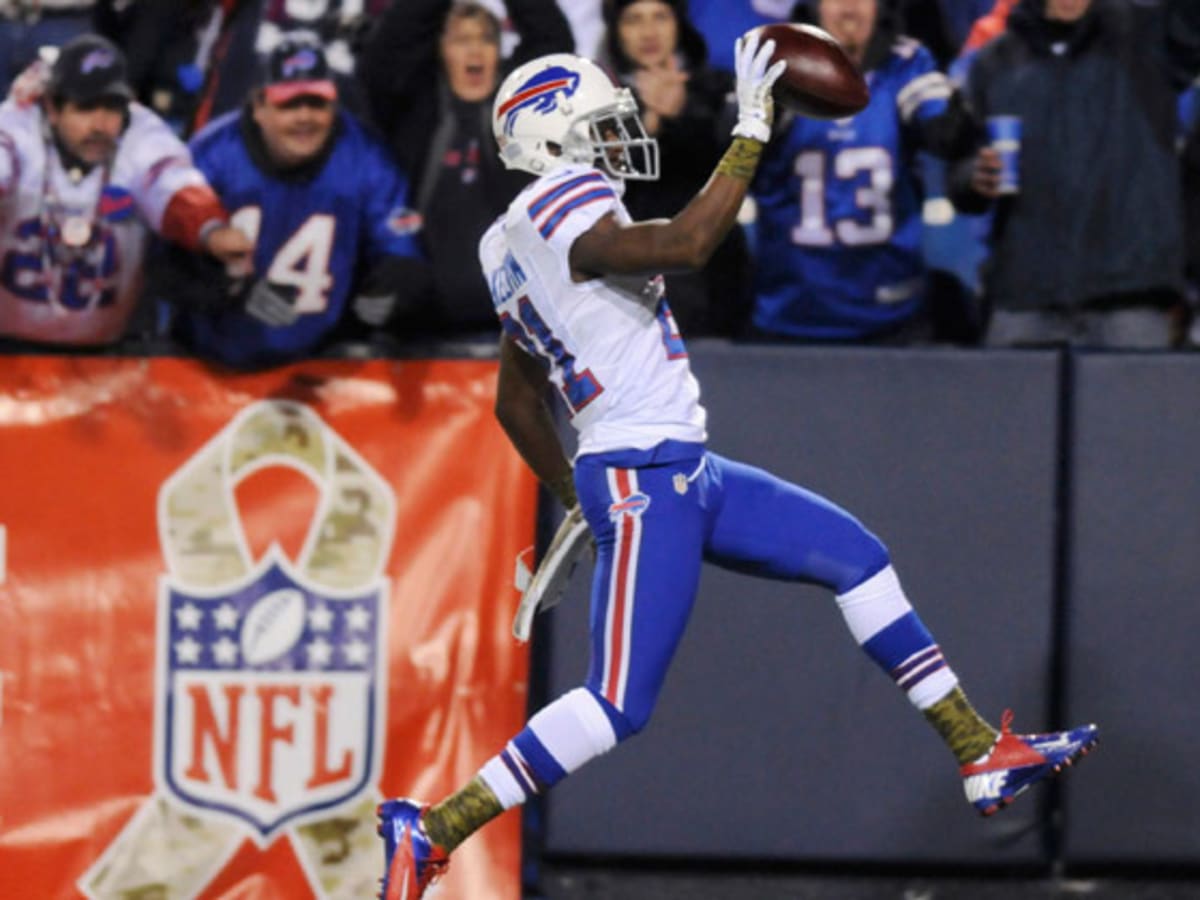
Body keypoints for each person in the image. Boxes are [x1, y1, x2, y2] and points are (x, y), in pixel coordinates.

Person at [375, 38, 1100, 898]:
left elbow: (517, 401)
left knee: (856, 556)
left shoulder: (508, 242)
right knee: (615, 704)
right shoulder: (562, 206)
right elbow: (687, 244)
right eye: (600, 126)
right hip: (648, 475)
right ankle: (434, 826)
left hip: (671, 468)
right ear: (550, 139)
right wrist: (752, 128)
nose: (619, 139)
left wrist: (574, 498)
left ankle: (979, 751)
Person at [156, 36, 430, 370]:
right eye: (289, 104)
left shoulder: (364, 157)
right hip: (207, 368)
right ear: (259, 107)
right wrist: (229, 291)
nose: (305, 117)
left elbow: (400, 247)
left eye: (317, 103)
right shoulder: (212, 156)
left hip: (318, 369)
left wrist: (391, 288)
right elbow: (161, 261)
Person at [947, 0, 1200, 349]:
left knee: (1130, 406)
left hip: (1128, 299)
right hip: (1024, 298)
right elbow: (958, 166)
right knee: (1008, 405)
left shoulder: (1149, 35)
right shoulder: (993, 62)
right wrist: (974, 177)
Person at [0, 33, 251, 348]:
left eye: (112, 107)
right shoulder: (14, 127)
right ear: (52, 107)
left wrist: (210, 228)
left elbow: (171, 181)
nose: (100, 124)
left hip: (108, 354)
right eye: (85, 108)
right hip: (6, 350)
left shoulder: (142, 135)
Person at [749, 0, 976, 344]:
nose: (849, 7)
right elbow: (730, 141)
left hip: (891, 314)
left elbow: (944, 128)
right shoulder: (776, 66)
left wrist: (951, 124)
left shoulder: (906, 65)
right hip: (793, 313)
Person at [359, 0, 573, 338]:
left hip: (520, 334)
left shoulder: (523, 112)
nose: (475, 50)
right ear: (439, 50)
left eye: (486, 39)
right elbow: (391, 48)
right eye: (460, 40)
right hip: (418, 335)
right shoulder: (412, 109)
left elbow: (552, 40)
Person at [600, 0, 751, 337]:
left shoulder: (718, 88)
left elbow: (731, 168)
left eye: (660, 17)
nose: (648, 31)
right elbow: (602, 186)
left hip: (712, 277)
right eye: (634, 19)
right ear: (616, 32)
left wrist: (682, 113)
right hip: (627, 282)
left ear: (679, 25)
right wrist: (648, 123)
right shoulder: (596, 102)